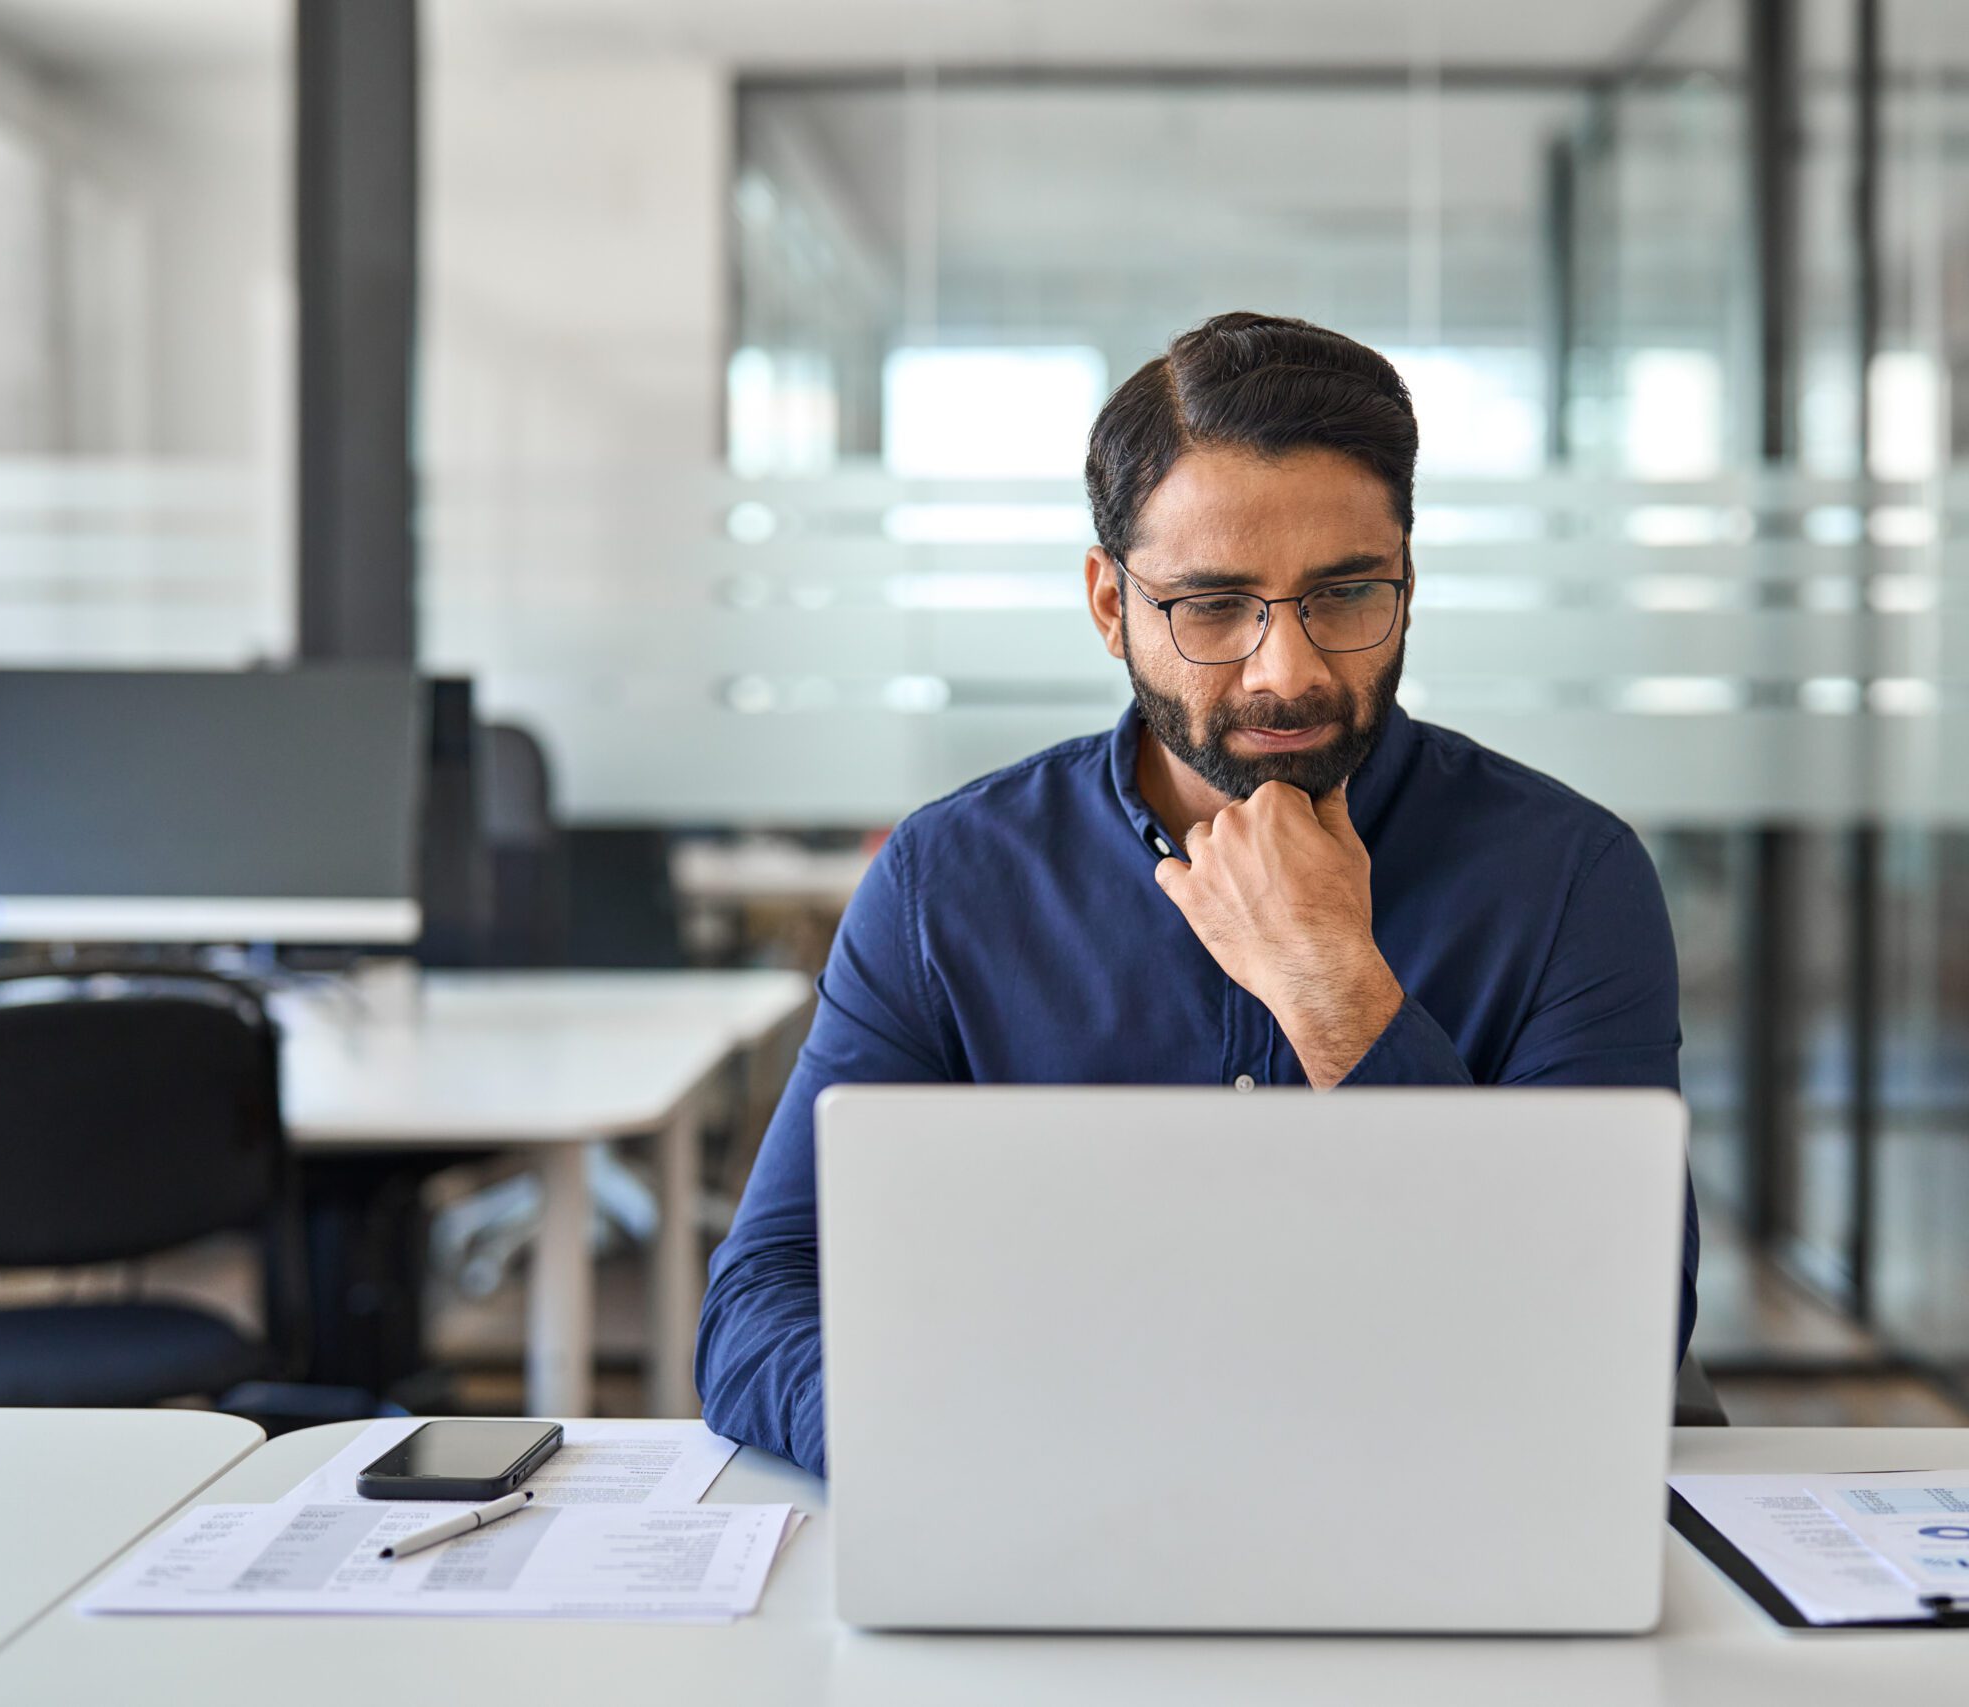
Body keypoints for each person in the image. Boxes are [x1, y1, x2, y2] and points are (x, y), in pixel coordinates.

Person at [696, 311, 1696, 1474]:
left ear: (1409, 583)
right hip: (1044, 1504)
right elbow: (760, 1304)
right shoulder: (945, 884)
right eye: (1212, 606)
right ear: (1112, 604)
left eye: (1346, 594)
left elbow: (1608, 1337)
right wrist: (970, 1456)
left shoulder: (1570, 878)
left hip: (1432, 1497)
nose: (1290, 670)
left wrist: (1337, 990)